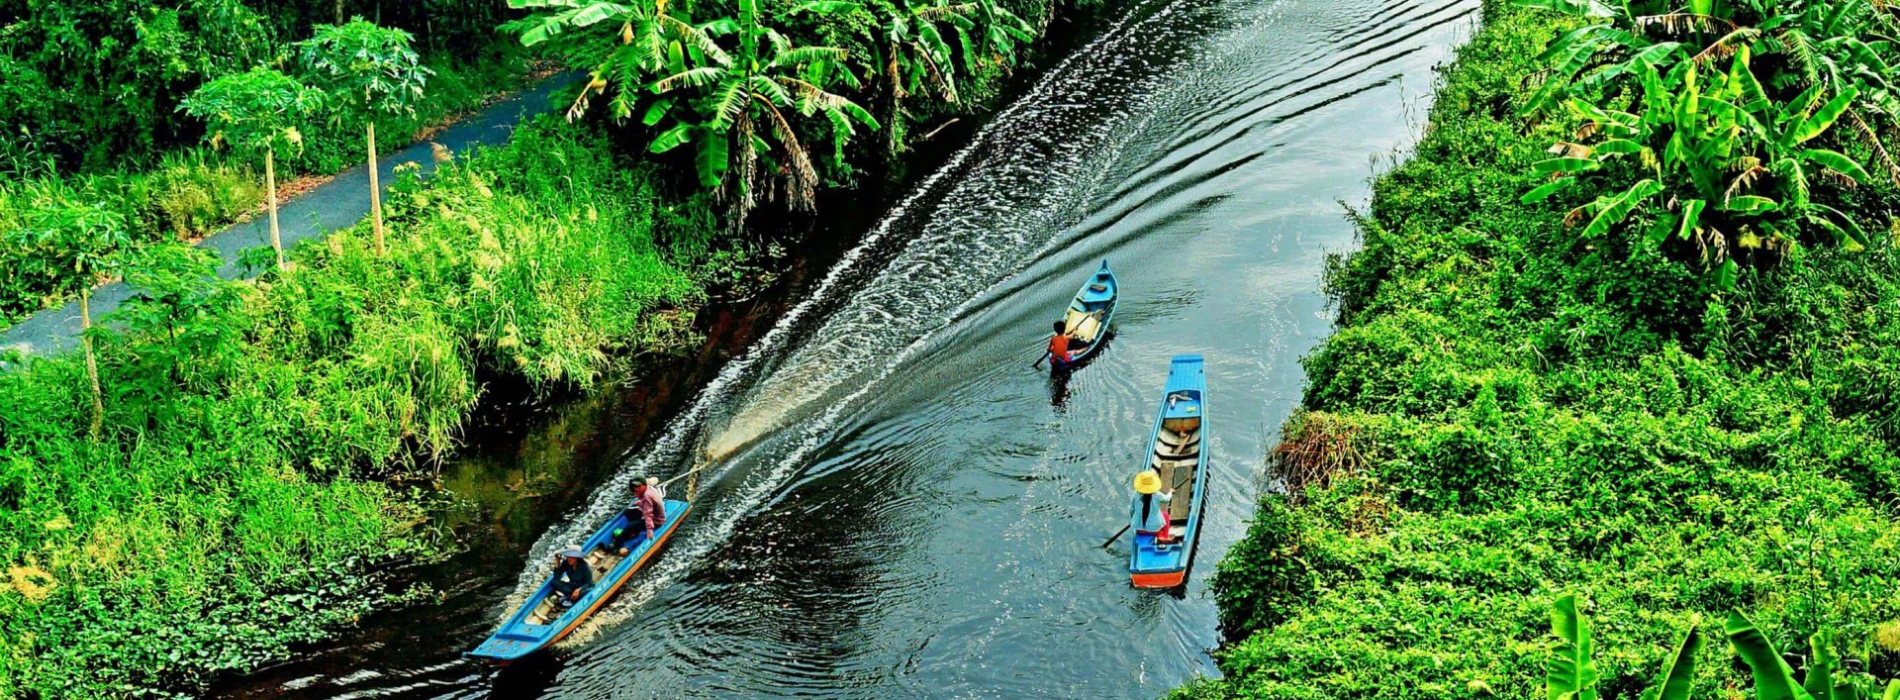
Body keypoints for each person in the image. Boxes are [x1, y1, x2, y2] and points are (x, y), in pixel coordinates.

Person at [611, 477, 667, 556]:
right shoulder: (648, 487)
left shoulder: (647, 497)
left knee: (630, 526)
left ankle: (616, 546)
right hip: (652, 512)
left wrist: (650, 530)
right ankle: (633, 531)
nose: (635, 493)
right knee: (628, 512)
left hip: (655, 520)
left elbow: (648, 516)